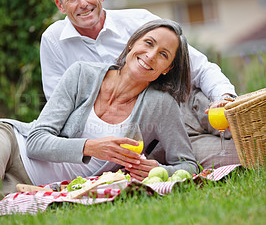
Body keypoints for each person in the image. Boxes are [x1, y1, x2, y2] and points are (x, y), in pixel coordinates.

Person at [40, 0, 239, 168]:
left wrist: (224, 97)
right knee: (242, 156)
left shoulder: (138, 21)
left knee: (247, 126)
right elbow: (61, 109)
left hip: (189, 105)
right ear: (60, 5)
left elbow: (200, 68)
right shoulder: (53, 41)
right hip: (151, 139)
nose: (83, 3)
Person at [0, 19, 198, 198]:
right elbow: (35, 143)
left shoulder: (161, 105)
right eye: (148, 43)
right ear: (132, 43)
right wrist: (91, 147)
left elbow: (189, 165)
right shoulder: (81, 74)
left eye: (163, 54)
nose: (151, 55)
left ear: (167, 69)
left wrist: (158, 169)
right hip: (14, 144)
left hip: (37, 187)